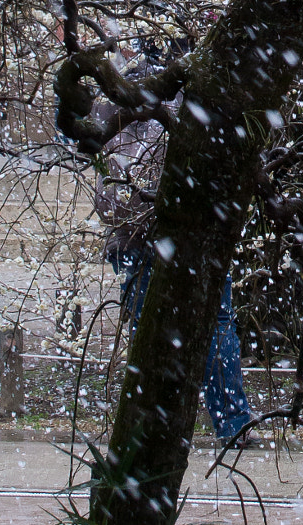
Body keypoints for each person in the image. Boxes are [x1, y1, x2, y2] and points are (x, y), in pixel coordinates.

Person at [95, 57, 256, 448]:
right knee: (208, 324)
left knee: (155, 328)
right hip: (180, 232)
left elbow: (109, 190)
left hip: (148, 234)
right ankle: (227, 423)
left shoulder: (121, 92)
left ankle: (154, 426)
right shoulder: (198, 90)